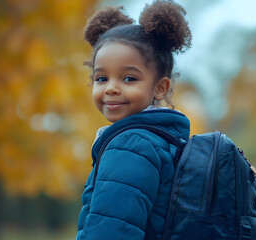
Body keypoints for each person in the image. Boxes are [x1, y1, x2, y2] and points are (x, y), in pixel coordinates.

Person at [76, 1, 192, 239]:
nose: (111, 88)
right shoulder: (162, 139)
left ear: (160, 88)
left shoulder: (131, 145)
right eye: (101, 78)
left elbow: (111, 231)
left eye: (128, 78)